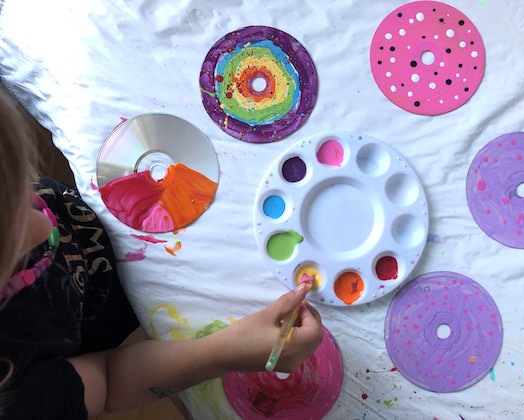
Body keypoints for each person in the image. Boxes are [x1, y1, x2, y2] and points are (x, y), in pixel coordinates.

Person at [0, 88, 323, 419]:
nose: (44, 227)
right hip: (131, 303)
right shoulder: (19, 400)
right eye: (10, 247)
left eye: (22, 191)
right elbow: (109, 382)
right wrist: (228, 352)